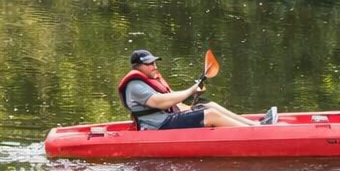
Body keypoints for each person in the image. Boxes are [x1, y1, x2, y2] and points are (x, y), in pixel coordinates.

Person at [118, 50, 277, 129]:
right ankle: (255, 134)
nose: (155, 66)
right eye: (150, 64)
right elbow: (160, 103)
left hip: (167, 118)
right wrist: (191, 90)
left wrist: (193, 97)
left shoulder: (149, 79)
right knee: (211, 115)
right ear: (138, 67)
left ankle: (256, 125)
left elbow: (174, 101)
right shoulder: (135, 85)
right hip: (158, 126)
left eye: (154, 62)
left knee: (210, 106)